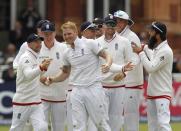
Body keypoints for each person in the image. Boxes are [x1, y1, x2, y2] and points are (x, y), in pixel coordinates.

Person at [43, 21, 112, 131]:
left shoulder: (90, 43)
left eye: (69, 33)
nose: (67, 36)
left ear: (76, 32)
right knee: (78, 126)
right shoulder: (66, 53)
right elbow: (65, 73)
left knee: (101, 124)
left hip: (93, 88)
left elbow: (107, 55)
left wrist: (108, 64)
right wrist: (52, 79)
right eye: (65, 34)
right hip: (76, 91)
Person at [132, 22, 173, 131]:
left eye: (152, 31)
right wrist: (144, 47)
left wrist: (141, 53)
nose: (149, 33)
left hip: (162, 94)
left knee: (163, 125)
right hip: (152, 94)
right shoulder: (158, 49)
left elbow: (151, 67)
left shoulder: (166, 51)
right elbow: (152, 57)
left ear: (158, 35)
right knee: (152, 127)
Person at [97, 14, 134, 131]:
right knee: (101, 119)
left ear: (116, 27)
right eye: (108, 25)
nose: (110, 28)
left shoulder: (124, 42)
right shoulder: (96, 42)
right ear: (103, 26)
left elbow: (130, 63)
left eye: (113, 25)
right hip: (101, 85)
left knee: (116, 119)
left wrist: (123, 74)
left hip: (119, 86)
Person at [10, 33, 51, 131]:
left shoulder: (35, 56)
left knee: (42, 127)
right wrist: (41, 67)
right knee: (16, 129)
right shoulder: (25, 57)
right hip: (23, 101)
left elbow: (35, 76)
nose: (39, 44)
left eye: (40, 41)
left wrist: (44, 78)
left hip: (36, 101)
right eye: (35, 42)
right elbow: (28, 75)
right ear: (28, 45)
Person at [114, 10, 144, 131]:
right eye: (116, 20)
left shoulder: (132, 37)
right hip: (119, 83)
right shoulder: (115, 36)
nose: (117, 23)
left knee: (130, 118)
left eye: (120, 21)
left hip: (132, 83)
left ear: (126, 23)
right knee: (115, 117)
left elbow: (136, 59)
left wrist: (124, 73)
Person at [39, 21, 68, 131]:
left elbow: (67, 70)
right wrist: (39, 78)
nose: (48, 36)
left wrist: (53, 79)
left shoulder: (63, 48)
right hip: (42, 95)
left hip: (59, 94)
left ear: (55, 33)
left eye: (50, 33)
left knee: (59, 128)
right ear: (41, 34)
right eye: (46, 34)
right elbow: (31, 68)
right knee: (41, 128)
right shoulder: (37, 48)